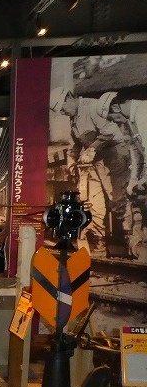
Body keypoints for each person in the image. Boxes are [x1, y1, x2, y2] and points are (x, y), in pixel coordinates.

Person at [50, 86, 132, 258]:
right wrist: (71, 163)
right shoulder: (73, 119)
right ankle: (100, 244)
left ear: (69, 97)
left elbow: (110, 133)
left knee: (117, 199)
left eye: (63, 108)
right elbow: (75, 145)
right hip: (94, 162)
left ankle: (132, 242)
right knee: (94, 203)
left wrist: (92, 148)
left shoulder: (93, 107)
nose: (63, 113)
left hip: (114, 155)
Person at [101, 92, 146, 258]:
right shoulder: (130, 121)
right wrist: (133, 181)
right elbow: (136, 154)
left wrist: (144, 178)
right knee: (138, 198)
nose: (114, 122)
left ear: (115, 107)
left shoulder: (143, 112)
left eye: (112, 118)